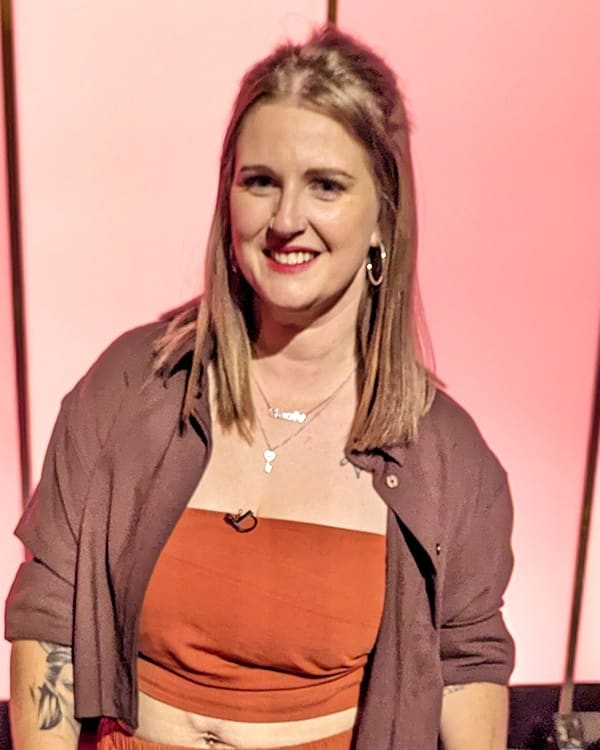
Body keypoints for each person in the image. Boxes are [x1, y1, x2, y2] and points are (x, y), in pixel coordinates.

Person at [5, 23, 514, 750]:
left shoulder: (447, 457)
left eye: (326, 186)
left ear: (384, 217)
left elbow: (467, 671)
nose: (285, 220)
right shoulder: (130, 386)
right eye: (261, 182)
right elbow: (50, 618)